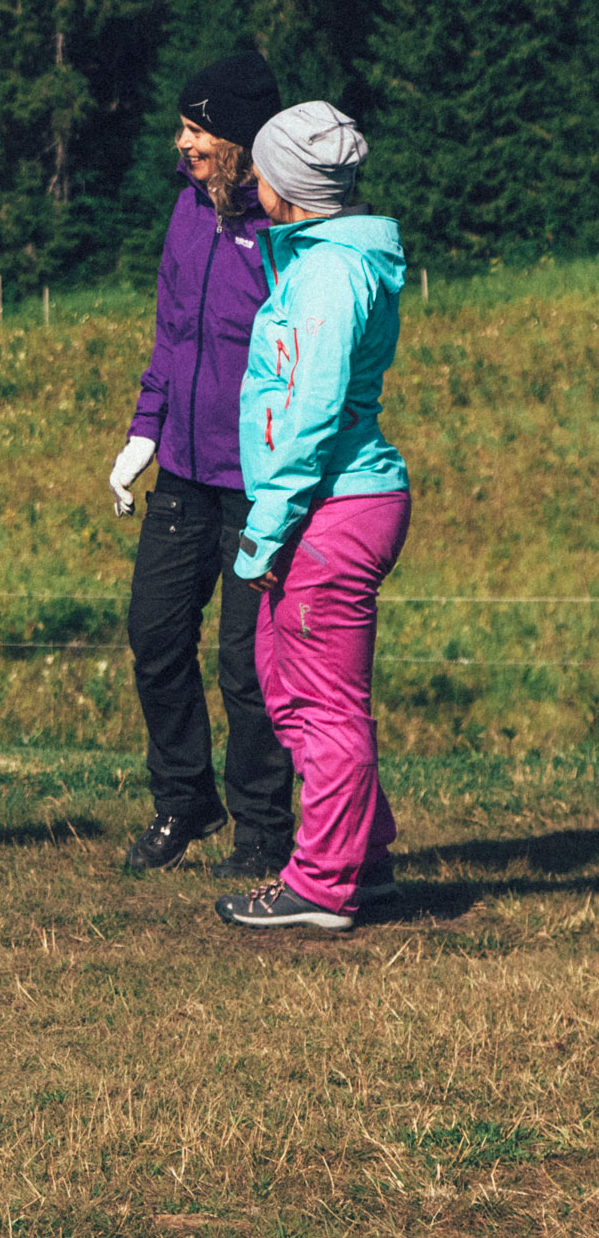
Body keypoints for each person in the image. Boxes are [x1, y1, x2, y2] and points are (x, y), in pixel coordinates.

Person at [215, 100, 411, 934]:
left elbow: (311, 413)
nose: (249, 180)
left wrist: (266, 526)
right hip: (319, 504)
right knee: (284, 677)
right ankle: (360, 859)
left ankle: (325, 883)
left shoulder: (329, 274)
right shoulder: (313, 259)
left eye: (259, 168)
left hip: (330, 505)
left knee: (324, 699)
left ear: (286, 185)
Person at [111, 50, 295, 877]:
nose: (181, 142)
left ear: (243, 141)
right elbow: (170, 333)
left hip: (258, 483)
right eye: (183, 126)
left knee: (247, 666)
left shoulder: (285, 232)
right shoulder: (186, 213)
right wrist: (143, 431)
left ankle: (262, 829)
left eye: (198, 129)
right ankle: (185, 799)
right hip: (181, 471)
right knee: (153, 634)